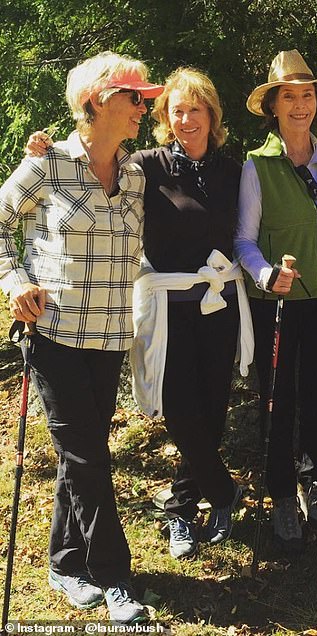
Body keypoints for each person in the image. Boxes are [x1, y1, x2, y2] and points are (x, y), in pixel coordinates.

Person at [29, 68, 254, 562]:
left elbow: (246, 235)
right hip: (165, 309)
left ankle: (182, 503)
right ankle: (221, 491)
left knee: (212, 409)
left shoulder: (234, 171)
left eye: (195, 109)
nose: (186, 118)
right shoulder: (145, 165)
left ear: (212, 115)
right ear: (163, 118)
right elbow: (90, 155)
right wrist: (42, 145)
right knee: (177, 405)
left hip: (217, 306)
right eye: (176, 109)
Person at [0, 51, 163, 623]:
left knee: (83, 454)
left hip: (112, 334)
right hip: (55, 334)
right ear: (98, 100)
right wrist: (15, 281)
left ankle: (64, 561)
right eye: (134, 96)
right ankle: (114, 576)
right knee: (89, 455)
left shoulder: (137, 174)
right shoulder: (47, 166)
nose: (144, 106)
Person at [235, 49, 317, 554]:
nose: (299, 104)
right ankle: (282, 492)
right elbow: (243, 238)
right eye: (289, 96)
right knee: (278, 397)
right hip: (278, 302)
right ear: (273, 106)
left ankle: (314, 480)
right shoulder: (257, 166)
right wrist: (267, 275)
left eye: (307, 95)